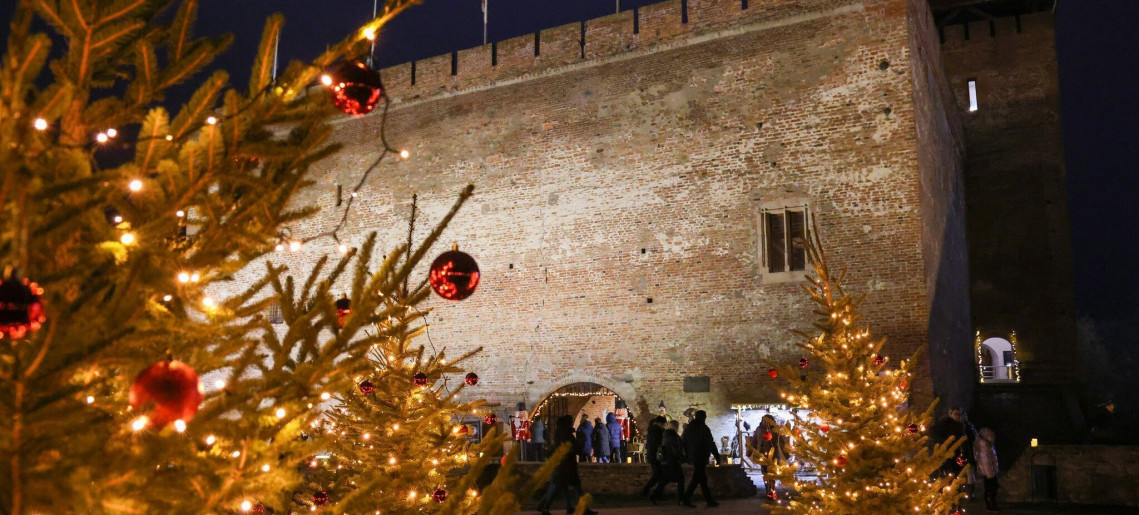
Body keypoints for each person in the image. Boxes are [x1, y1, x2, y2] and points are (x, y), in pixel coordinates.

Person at [536, 415, 598, 515]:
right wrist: (581, 442)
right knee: (574, 488)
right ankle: (546, 508)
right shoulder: (567, 435)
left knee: (562, 488)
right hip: (567, 466)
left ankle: (568, 507)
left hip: (563, 465)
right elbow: (575, 448)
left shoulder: (560, 435)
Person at [682, 410, 722, 507]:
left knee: (702, 479)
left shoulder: (689, 428)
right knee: (697, 479)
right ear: (703, 417)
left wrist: (686, 456)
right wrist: (717, 456)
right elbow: (710, 443)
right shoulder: (703, 428)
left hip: (693, 456)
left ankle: (708, 500)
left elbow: (684, 442)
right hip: (701, 456)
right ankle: (686, 499)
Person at [651, 420, 694, 507]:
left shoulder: (667, 435)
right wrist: (682, 458)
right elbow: (675, 449)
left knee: (666, 479)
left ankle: (654, 495)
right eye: (677, 426)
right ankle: (682, 500)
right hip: (672, 461)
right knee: (680, 479)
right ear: (675, 427)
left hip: (667, 462)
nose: (678, 428)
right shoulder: (672, 436)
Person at [755, 414, 791, 501]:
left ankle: (772, 489)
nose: (765, 422)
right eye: (764, 420)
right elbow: (755, 440)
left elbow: (781, 442)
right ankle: (768, 488)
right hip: (762, 455)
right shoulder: (759, 429)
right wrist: (751, 450)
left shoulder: (775, 430)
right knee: (765, 472)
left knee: (772, 472)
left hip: (774, 454)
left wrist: (786, 453)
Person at [929, 407, 967, 478]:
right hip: (946, 452)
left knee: (957, 473)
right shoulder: (943, 424)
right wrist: (945, 443)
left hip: (956, 452)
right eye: (955, 414)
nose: (957, 416)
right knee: (948, 473)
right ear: (950, 414)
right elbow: (933, 433)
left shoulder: (960, 425)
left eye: (959, 414)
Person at [974, 427, 1000, 512]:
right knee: (991, 488)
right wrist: (990, 474)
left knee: (990, 488)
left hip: (990, 472)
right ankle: (991, 505)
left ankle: (990, 504)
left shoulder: (986, 445)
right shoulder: (984, 447)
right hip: (989, 473)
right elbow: (986, 462)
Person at [641, 416, 667, 498]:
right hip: (656, 456)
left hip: (652, 455)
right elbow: (659, 444)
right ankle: (649, 491)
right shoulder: (658, 431)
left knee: (659, 474)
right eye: (663, 424)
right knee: (659, 474)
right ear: (660, 423)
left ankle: (654, 492)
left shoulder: (652, 430)